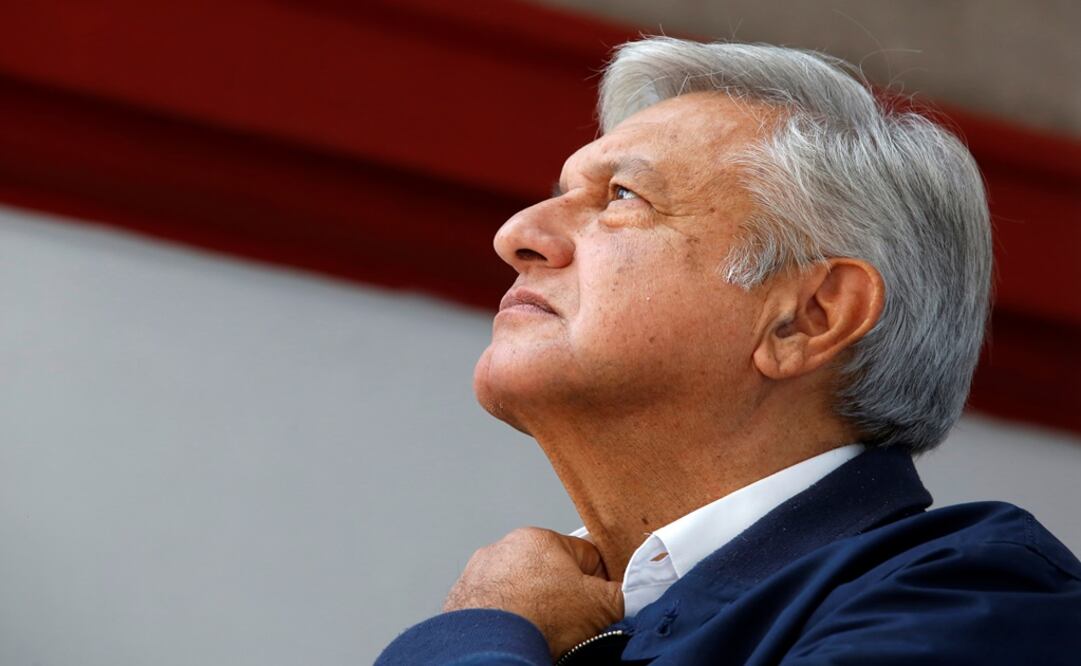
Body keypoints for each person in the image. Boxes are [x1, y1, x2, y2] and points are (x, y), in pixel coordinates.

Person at [376, 37, 1081, 664]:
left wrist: (477, 633)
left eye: (622, 196)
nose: (517, 234)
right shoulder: (555, 621)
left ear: (807, 317)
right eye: (560, 193)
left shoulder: (969, 602)